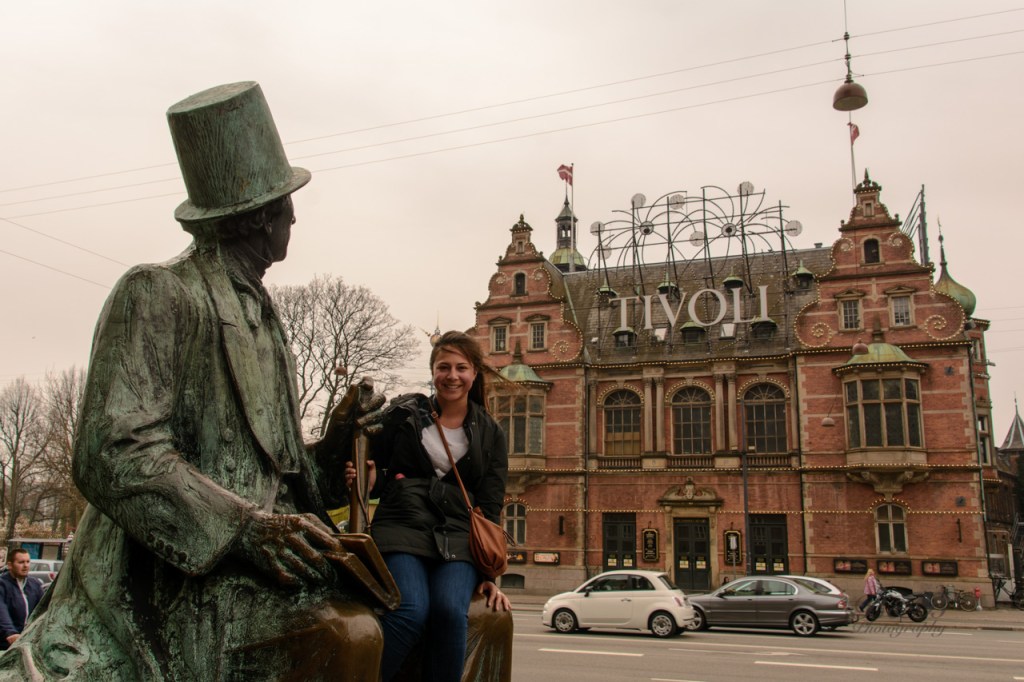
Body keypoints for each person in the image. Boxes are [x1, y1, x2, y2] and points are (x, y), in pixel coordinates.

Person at [0, 82, 385, 681]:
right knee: (348, 635)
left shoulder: (265, 315)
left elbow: (285, 477)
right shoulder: (158, 293)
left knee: (468, 623)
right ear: (259, 218)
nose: (293, 215)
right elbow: (113, 451)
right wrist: (242, 529)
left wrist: (336, 441)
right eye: (286, 201)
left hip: (263, 568)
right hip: (179, 578)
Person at [346, 331, 512, 682]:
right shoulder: (406, 415)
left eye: (461, 368)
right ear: (433, 371)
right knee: (410, 610)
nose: (452, 375)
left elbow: (491, 503)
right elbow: (374, 469)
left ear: (474, 373)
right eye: (443, 367)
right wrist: (369, 477)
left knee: (451, 611)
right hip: (402, 527)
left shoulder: (490, 431)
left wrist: (489, 576)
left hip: (458, 537)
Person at [0, 549, 44, 649]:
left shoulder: (35, 584)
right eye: (21, 562)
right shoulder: (2, 585)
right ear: (10, 565)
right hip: (5, 642)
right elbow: (1, 611)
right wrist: (10, 632)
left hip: (27, 642)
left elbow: (43, 608)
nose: (26, 565)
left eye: (28, 562)